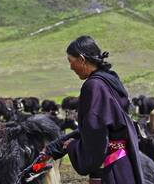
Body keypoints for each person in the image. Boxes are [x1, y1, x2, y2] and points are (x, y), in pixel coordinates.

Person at [46, 35, 144, 184]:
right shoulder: (110, 80)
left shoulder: (93, 86)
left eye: (71, 62)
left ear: (82, 59)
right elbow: (96, 127)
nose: (71, 67)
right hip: (123, 164)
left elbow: (96, 136)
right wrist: (57, 146)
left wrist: (72, 146)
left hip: (109, 170)